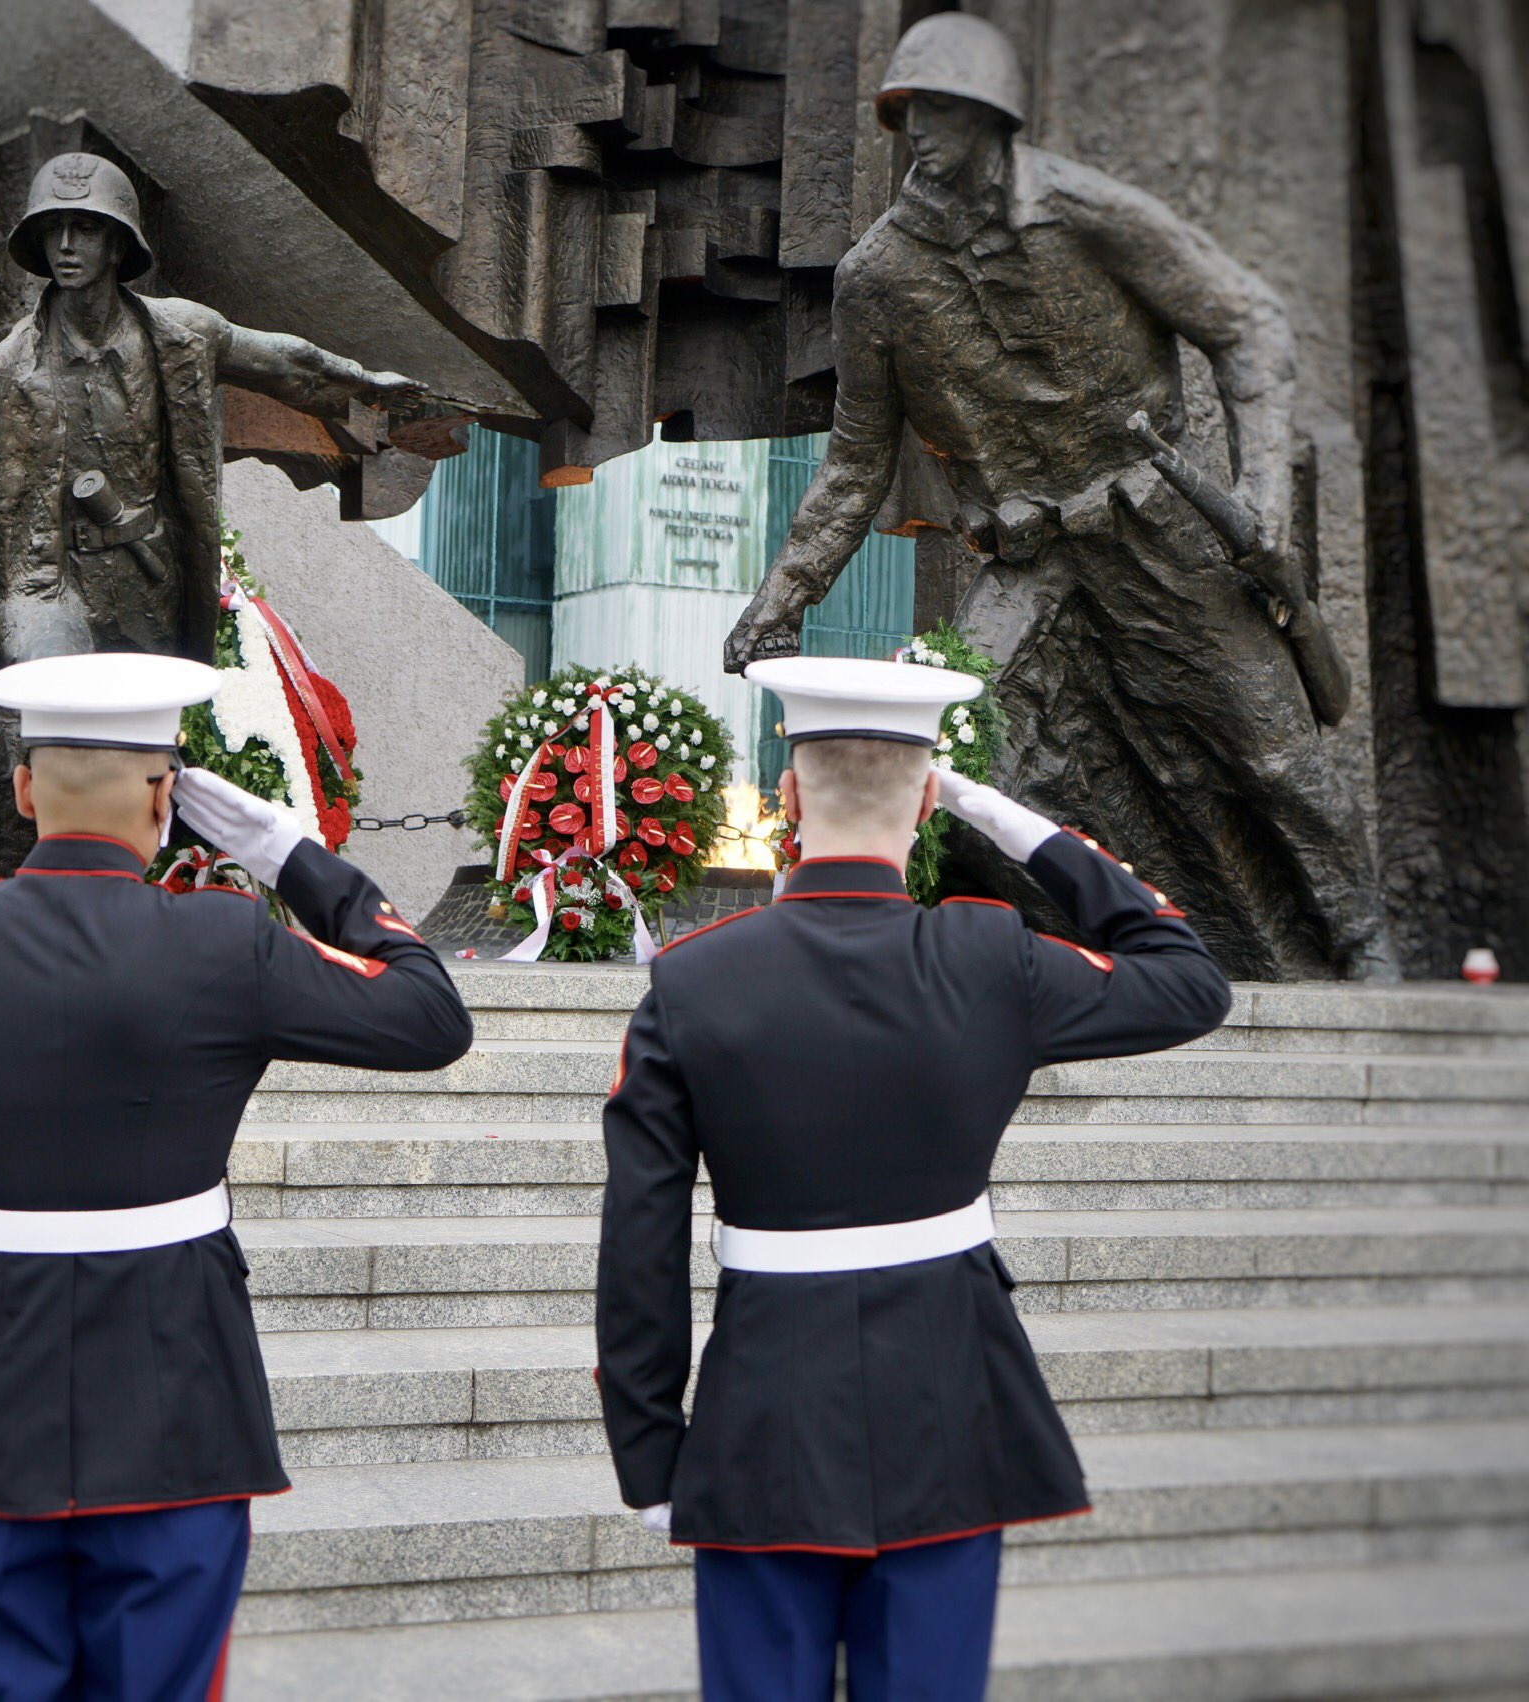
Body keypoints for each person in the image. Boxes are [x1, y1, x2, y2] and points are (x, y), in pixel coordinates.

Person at [0, 651, 473, 1701]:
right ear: (167, 799)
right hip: (183, 1414)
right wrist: (288, 854)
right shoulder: (225, 941)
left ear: (24, 788)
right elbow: (432, 1015)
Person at [595, 655, 1233, 1701]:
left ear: (786, 796)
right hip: (951, 1397)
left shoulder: (692, 980)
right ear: (930, 801)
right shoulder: (992, 958)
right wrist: (1014, 823)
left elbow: (640, 1242)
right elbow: (1190, 978)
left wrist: (648, 1446)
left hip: (763, 1412)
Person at [721, 12, 1392, 981]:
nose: (922, 132)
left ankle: (1365, 945)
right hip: (1029, 562)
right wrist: (781, 597)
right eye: (910, 111)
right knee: (953, 766)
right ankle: (1088, 951)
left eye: (944, 110)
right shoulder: (877, 279)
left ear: (995, 116)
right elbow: (856, 464)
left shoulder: (1084, 212)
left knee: (1275, 751)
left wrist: (1259, 499)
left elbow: (1247, 323)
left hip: (1155, 528)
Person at [0, 151, 427, 775]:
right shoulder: (0, 376)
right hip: (44, 585)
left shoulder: (181, 336)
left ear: (119, 244)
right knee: (63, 717)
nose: (66, 246)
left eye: (86, 228)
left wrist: (366, 386)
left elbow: (285, 364)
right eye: (53, 229)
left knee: (146, 752)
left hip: (145, 579)